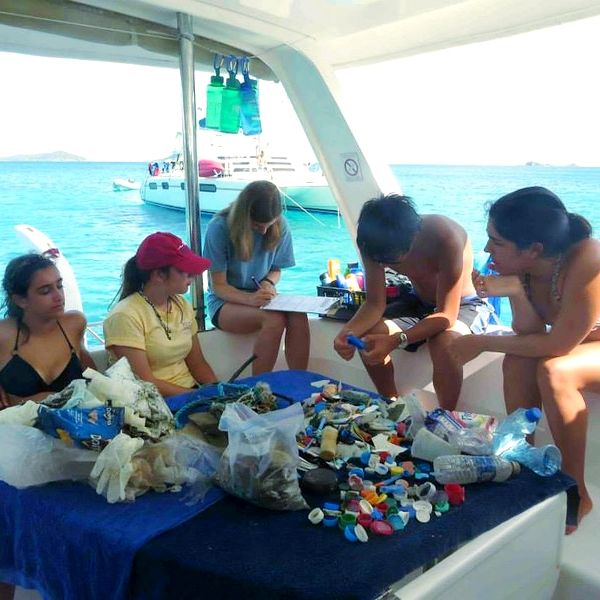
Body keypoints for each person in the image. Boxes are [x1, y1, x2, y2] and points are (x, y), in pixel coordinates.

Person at [450, 186, 600, 531]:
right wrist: (515, 289)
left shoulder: (588, 259)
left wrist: (481, 341)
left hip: (578, 349)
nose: (487, 248)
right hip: (586, 347)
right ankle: (522, 465)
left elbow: (559, 345)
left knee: (555, 370)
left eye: (496, 241)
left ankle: (574, 489)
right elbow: (529, 331)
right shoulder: (528, 268)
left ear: (534, 249)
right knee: (517, 360)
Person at [333, 194, 493, 408]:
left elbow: (446, 315)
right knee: (371, 334)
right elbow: (374, 304)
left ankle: (445, 418)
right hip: (418, 302)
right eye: (382, 262)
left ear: (414, 236)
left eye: (394, 262)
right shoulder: (372, 242)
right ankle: (392, 406)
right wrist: (346, 333)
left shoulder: (446, 238)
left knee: (444, 343)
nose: (387, 265)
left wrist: (397, 339)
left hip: (462, 305)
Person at [203, 180, 310, 374]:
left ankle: (299, 378)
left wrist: (268, 283)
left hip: (259, 296)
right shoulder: (218, 228)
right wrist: (250, 299)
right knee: (274, 320)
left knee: (298, 316)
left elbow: (276, 269)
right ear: (244, 217)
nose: (264, 231)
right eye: (257, 225)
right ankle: (260, 387)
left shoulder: (280, 225)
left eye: (269, 225)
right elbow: (218, 286)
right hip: (223, 302)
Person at [103, 232, 217, 397]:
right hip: (152, 403)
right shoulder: (125, 316)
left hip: (189, 394)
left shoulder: (182, 304)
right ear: (158, 275)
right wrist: (199, 397)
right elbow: (145, 383)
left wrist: (218, 390)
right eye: (185, 270)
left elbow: (198, 364)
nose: (193, 275)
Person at [0, 253, 95, 409]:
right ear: (20, 300)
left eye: (59, 285)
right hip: (17, 430)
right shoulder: (4, 334)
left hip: (74, 427)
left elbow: (94, 382)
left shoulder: (74, 324)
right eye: (45, 291)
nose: (59, 296)